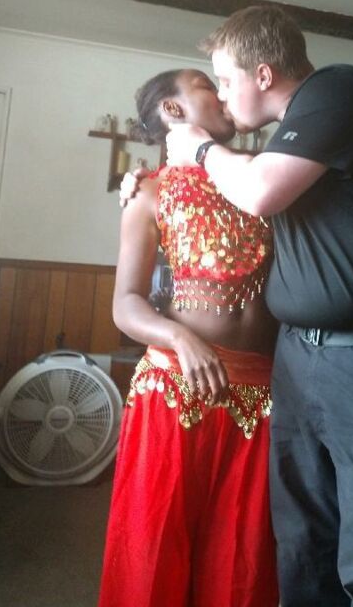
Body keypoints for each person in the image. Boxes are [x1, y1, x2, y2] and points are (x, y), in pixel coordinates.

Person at [163, 6, 353, 607]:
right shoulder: (290, 140)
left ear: (263, 73)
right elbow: (244, 199)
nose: (222, 96)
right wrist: (147, 185)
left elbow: (258, 191)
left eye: (225, 80)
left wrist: (198, 149)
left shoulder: (341, 89)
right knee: (307, 550)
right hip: (303, 361)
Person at [98, 68, 279, 607]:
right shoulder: (148, 192)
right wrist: (180, 337)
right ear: (173, 110)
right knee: (155, 552)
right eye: (206, 85)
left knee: (243, 562)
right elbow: (125, 304)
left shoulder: (260, 178)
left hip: (263, 391)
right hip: (177, 387)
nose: (222, 94)